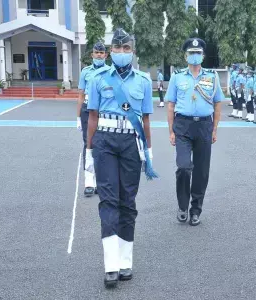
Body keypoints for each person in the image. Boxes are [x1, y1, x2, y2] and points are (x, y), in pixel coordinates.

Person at [86, 28, 157, 288]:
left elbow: (146, 120)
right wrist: (89, 151)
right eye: (117, 48)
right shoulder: (97, 78)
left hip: (130, 143)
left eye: (127, 48)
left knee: (128, 200)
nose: (122, 53)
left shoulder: (143, 81)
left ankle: (126, 261)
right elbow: (92, 117)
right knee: (108, 200)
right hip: (104, 141)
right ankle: (111, 265)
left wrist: (148, 151)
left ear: (133, 51)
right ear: (110, 51)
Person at [166, 37, 225, 226]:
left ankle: (195, 209)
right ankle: (182, 206)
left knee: (201, 171)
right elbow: (170, 105)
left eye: (198, 53)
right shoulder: (177, 76)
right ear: (186, 56)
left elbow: (217, 104)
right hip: (183, 125)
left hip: (204, 127)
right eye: (191, 53)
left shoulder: (212, 77)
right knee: (183, 167)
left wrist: (214, 129)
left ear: (203, 55)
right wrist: (171, 131)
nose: (194, 56)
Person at [77, 41, 107, 197]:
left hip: (103, 111)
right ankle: (89, 181)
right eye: (97, 52)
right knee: (88, 144)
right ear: (92, 55)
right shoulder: (85, 72)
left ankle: (101, 181)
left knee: (103, 144)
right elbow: (81, 95)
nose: (99, 55)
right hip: (87, 110)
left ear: (106, 55)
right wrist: (77, 117)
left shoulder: (110, 72)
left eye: (102, 53)